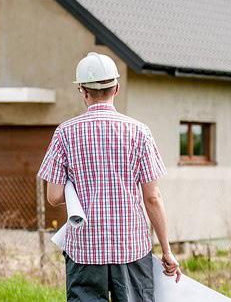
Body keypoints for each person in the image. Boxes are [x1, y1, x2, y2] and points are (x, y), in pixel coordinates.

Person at [37, 52, 181, 301]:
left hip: (84, 250)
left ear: (83, 91)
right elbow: (153, 198)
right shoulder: (139, 132)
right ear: (116, 87)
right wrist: (167, 251)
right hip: (131, 248)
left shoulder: (65, 133)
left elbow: (54, 196)